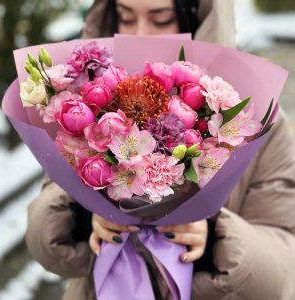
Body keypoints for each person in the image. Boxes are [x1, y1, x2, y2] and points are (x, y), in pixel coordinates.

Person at [25, 0, 295, 299]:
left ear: (199, 19)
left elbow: (281, 264)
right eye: (126, 18)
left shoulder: (253, 119)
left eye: (162, 19)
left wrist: (215, 239)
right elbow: (43, 241)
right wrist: (83, 216)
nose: (140, 34)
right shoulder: (86, 105)